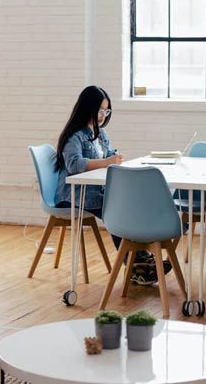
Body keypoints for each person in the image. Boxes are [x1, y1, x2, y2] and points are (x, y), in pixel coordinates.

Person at [54, 85, 168, 285]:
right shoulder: (75, 135)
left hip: (96, 191)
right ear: (86, 107)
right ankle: (136, 264)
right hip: (74, 195)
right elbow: (74, 165)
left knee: (127, 203)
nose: (102, 115)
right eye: (99, 110)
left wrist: (113, 158)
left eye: (106, 111)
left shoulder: (101, 134)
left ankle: (141, 261)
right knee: (117, 209)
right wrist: (107, 162)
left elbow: (108, 155)